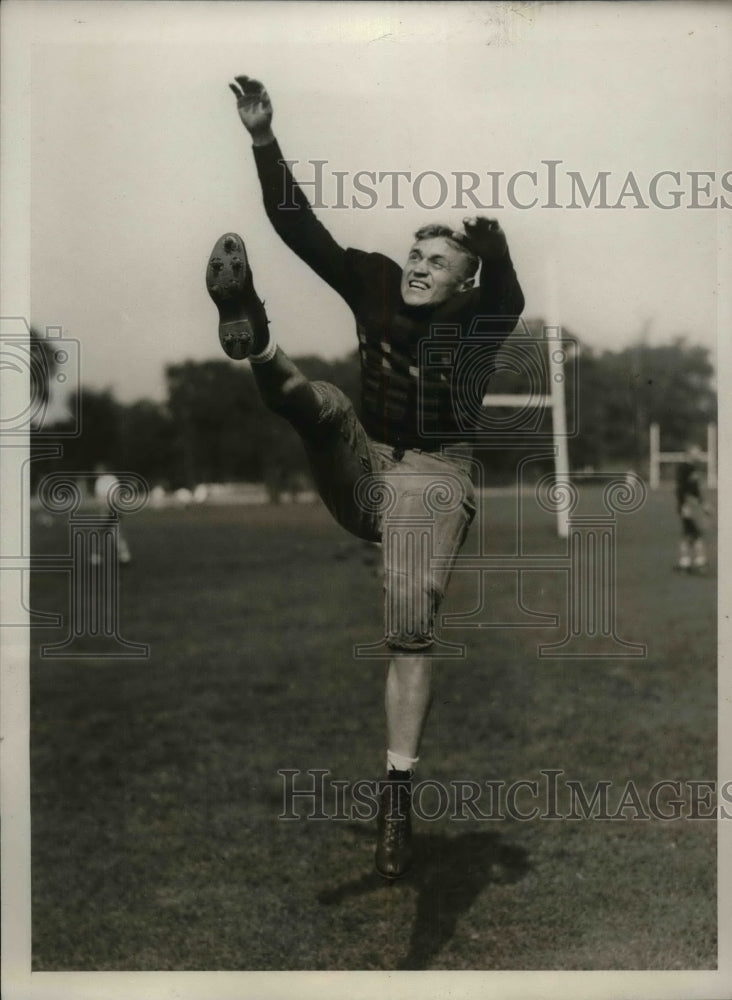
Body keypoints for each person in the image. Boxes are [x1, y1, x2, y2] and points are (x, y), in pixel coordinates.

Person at [207, 75, 525, 878]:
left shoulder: (476, 322)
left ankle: (395, 798)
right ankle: (254, 335)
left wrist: (498, 247)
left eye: (439, 260)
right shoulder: (377, 281)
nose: (419, 267)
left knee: (407, 624)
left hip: (434, 477)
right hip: (370, 461)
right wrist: (261, 138)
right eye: (417, 253)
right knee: (316, 404)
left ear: (464, 278)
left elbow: (510, 294)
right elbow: (298, 226)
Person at [674, 445, 709, 574]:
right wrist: (684, 505)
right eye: (697, 452)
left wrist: (703, 503)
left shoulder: (694, 468)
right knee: (696, 534)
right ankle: (700, 562)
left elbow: (696, 490)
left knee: (688, 534)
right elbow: (681, 489)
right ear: (689, 454)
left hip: (693, 505)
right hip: (688, 506)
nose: (699, 454)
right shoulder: (683, 468)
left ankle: (685, 562)